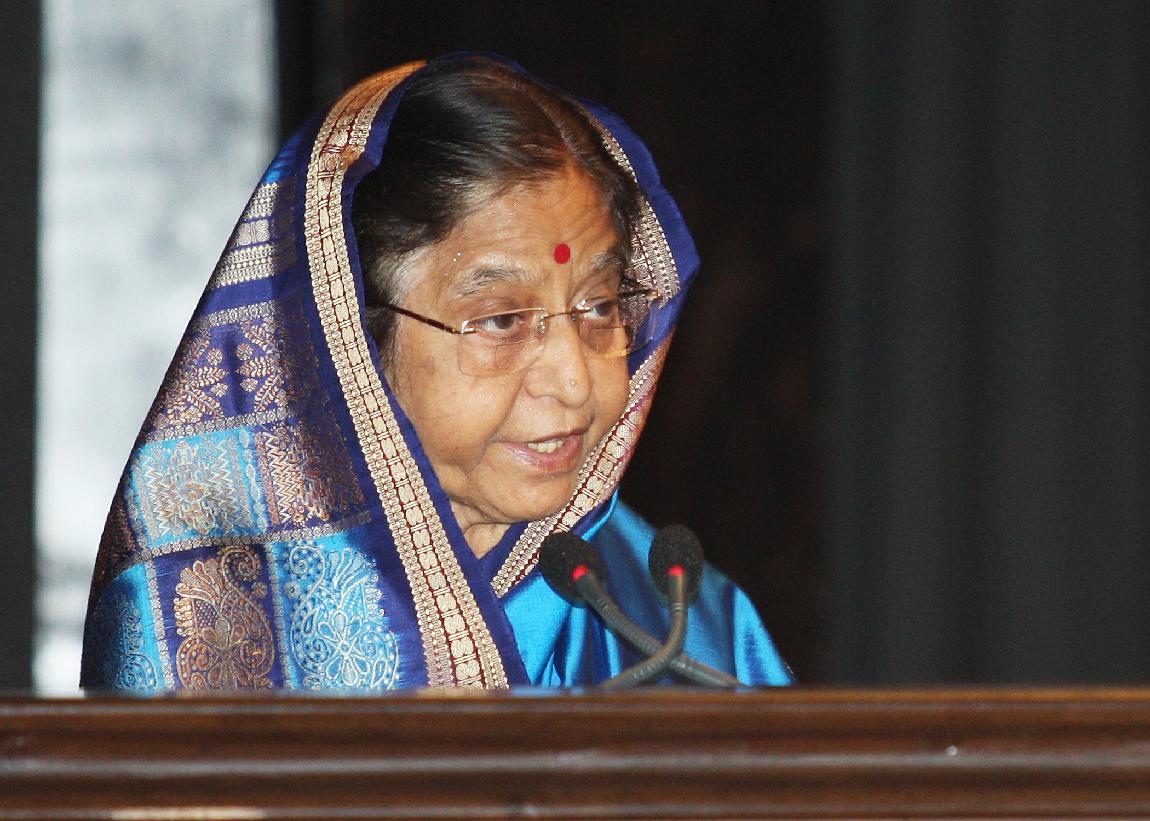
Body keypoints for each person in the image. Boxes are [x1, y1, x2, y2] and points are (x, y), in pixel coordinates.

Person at [80, 55, 792, 690]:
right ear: (347, 337)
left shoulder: (684, 630)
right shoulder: (201, 620)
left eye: (600, 306)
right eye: (502, 320)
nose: (576, 380)